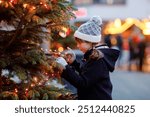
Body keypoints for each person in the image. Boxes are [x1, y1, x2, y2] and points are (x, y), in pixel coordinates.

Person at [56, 16, 120, 100]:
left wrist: (65, 67)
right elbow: (88, 74)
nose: (77, 46)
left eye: (80, 43)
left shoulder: (98, 59)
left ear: (90, 41)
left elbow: (83, 83)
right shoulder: (94, 55)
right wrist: (74, 62)